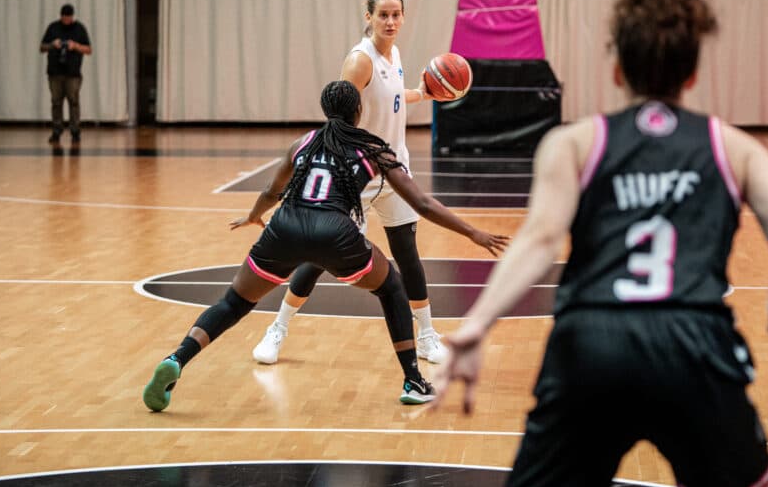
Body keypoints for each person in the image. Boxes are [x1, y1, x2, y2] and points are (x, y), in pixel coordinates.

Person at [431, 0, 768, 487]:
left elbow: (538, 241)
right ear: (692, 74)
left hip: (591, 346)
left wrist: (477, 325)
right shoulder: (736, 148)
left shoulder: (573, 143)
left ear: (617, 69)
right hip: (694, 344)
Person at [142, 81, 508, 412]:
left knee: (234, 302)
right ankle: (413, 379)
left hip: (285, 227)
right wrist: (472, 232)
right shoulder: (373, 148)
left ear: (324, 110)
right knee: (392, 286)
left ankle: (177, 358)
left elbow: (273, 191)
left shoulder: (302, 142)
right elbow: (423, 204)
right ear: (358, 111)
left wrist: (255, 217)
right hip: (335, 233)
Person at [252, 0, 449, 366]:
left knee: (407, 254)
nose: (390, 22)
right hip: (355, 172)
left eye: (396, 15)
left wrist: (421, 95)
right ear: (368, 17)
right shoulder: (360, 60)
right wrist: (343, 165)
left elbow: (387, 98)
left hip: (392, 168)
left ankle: (426, 334)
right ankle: (277, 328)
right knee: (319, 256)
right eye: (383, 15)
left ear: (404, 17)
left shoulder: (394, 54)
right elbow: (340, 118)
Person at [39, 4, 92, 144]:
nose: (66, 19)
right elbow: (42, 47)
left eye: (68, 17)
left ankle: (75, 131)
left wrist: (75, 46)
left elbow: (88, 49)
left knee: (73, 102)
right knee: (56, 102)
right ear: (60, 16)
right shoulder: (53, 27)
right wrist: (52, 44)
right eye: (64, 17)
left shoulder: (79, 28)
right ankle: (57, 130)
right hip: (55, 73)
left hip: (73, 73)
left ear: (72, 16)